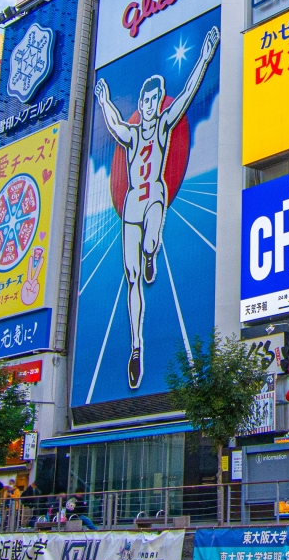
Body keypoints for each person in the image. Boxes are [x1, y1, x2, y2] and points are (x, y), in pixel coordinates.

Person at [92, 24, 221, 388]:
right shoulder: (132, 136)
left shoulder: (164, 126)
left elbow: (187, 95)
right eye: (147, 101)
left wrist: (206, 57)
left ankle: (152, 251)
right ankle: (136, 346)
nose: (151, 106)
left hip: (155, 198)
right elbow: (115, 124)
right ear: (141, 104)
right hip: (132, 207)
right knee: (132, 278)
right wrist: (103, 100)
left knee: (151, 235)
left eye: (155, 100)